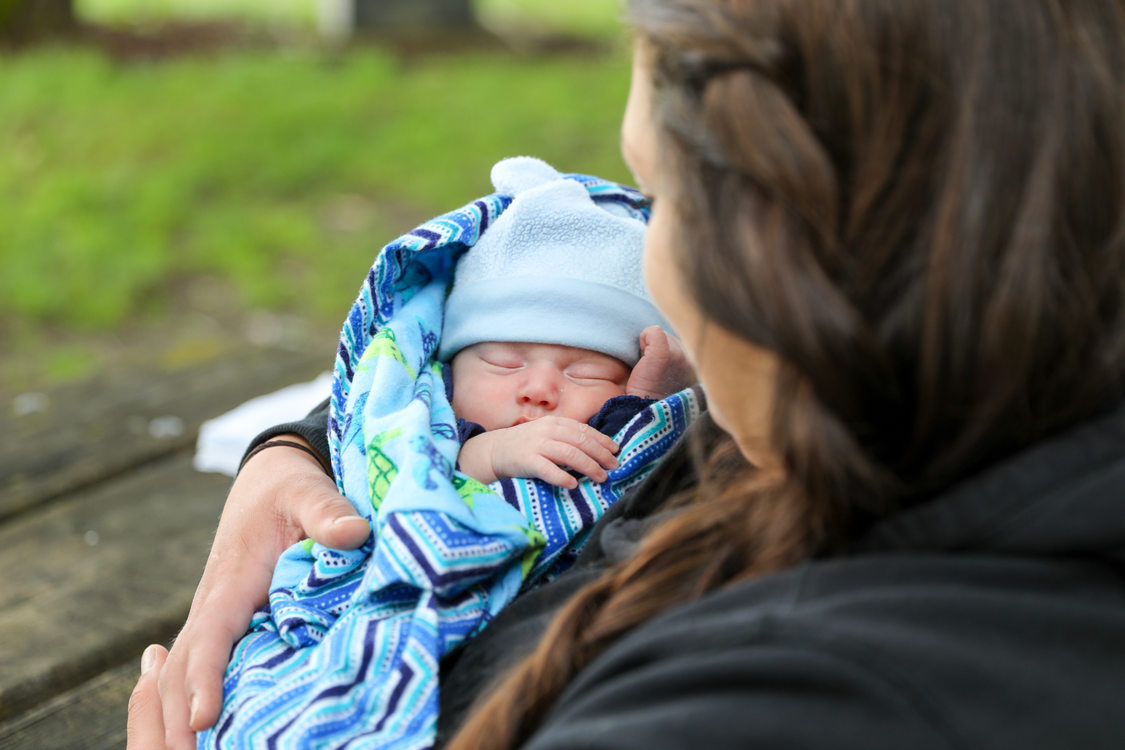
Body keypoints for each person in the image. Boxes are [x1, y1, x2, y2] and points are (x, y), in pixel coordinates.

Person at [130, 0, 1125, 748]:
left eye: (657, 200)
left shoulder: (771, 701)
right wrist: (301, 451)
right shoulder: (889, 428)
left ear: (785, 252)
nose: (645, 270)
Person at [194, 155, 701, 748]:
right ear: (451, 369)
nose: (538, 388)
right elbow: (421, 472)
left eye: (584, 369)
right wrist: (501, 451)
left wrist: (648, 399)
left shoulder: (619, 422)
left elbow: (627, 456)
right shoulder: (439, 421)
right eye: (503, 362)